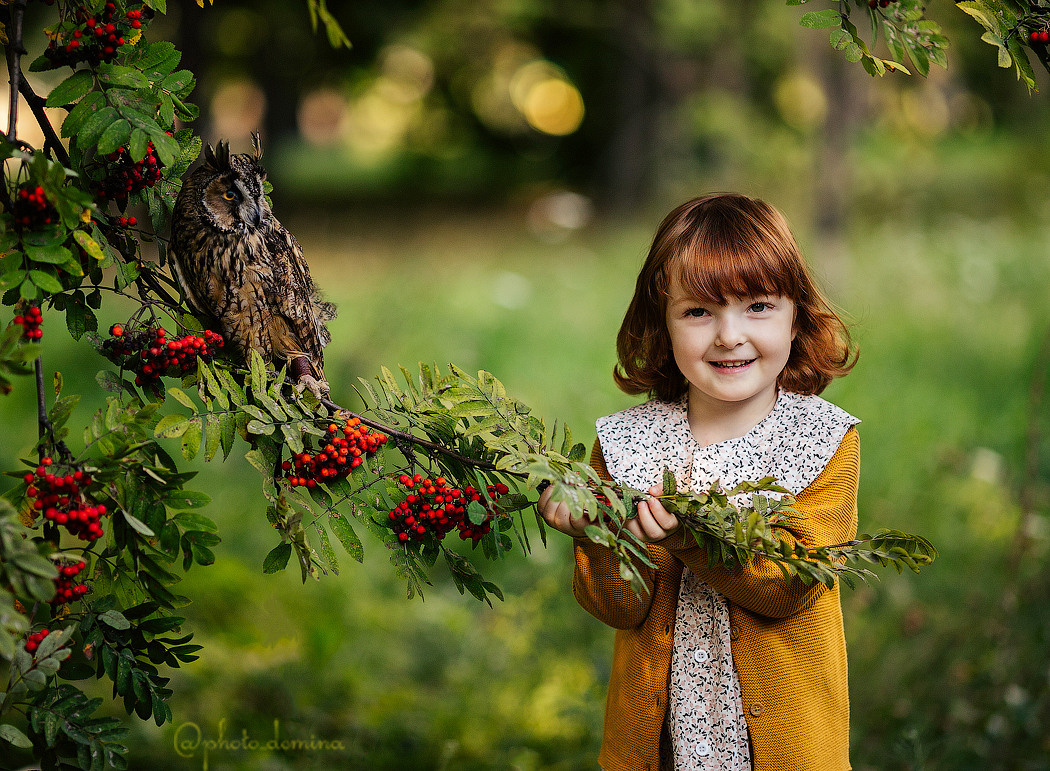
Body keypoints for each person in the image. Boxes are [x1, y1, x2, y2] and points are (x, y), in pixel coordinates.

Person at [538, 193, 860, 771]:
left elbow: (788, 585)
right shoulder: (625, 444)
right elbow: (619, 606)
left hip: (783, 749)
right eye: (697, 312)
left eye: (757, 306)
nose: (728, 336)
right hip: (668, 749)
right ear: (661, 325)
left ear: (797, 316)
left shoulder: (820, 440)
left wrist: (686, 532)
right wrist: (593, 535)